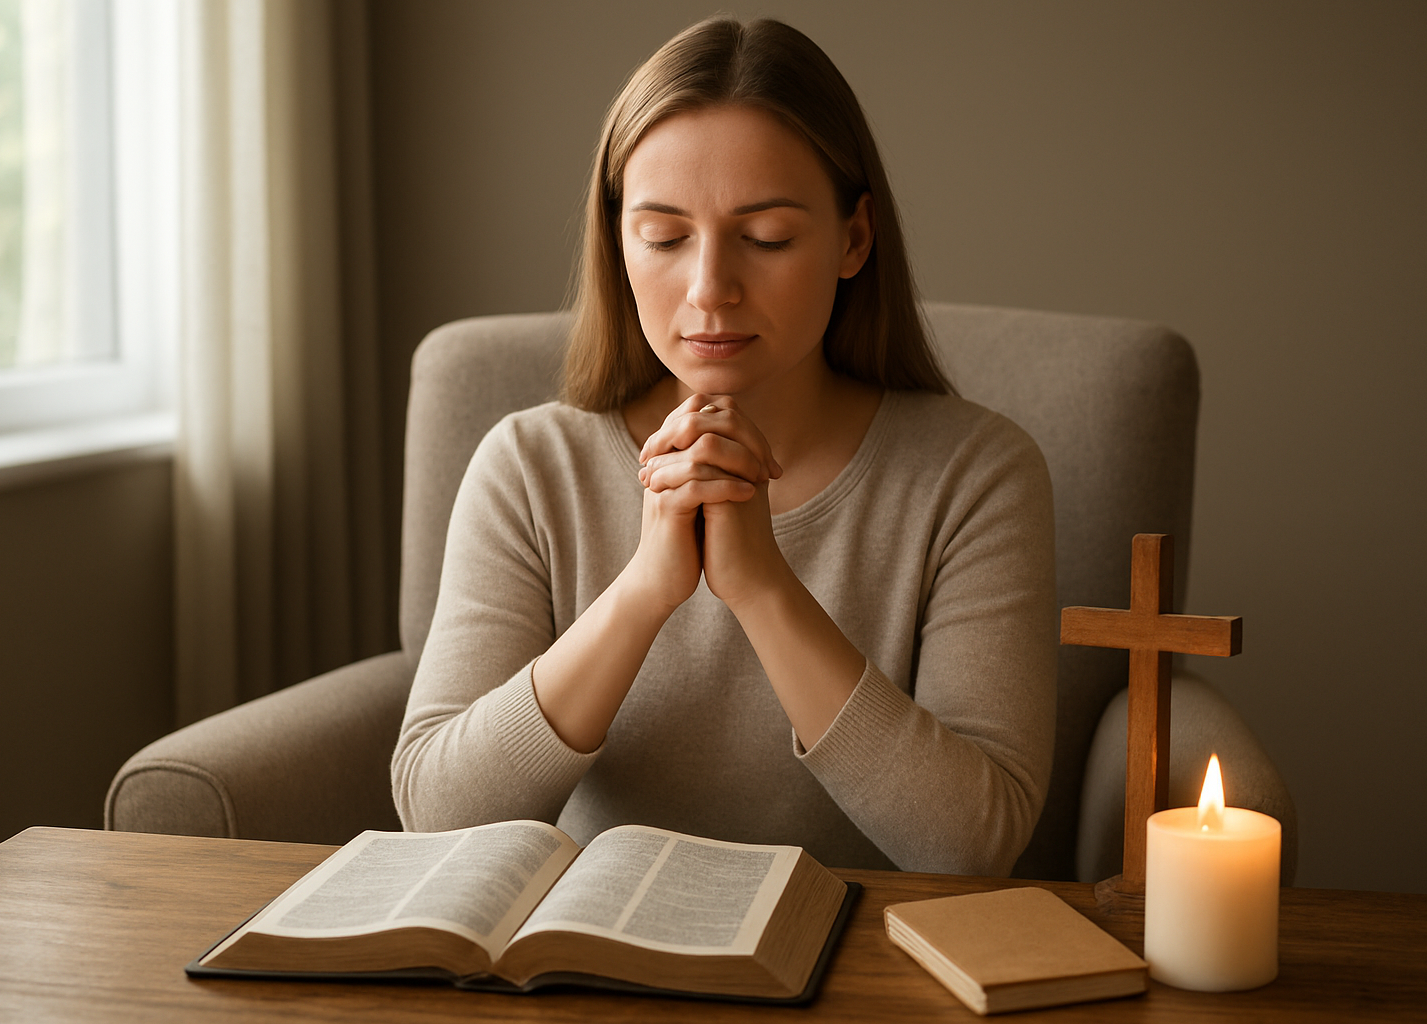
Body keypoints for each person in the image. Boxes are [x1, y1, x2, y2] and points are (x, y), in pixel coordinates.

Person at [391, 17, 1056, 876]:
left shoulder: (976, 475)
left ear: (855, 238)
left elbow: (975, 842)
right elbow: (435, 816)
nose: (710, 289)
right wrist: (644, 591)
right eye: (665, 237)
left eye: (768, 237)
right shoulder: (529, 467)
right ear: (617, 240)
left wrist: (763, 587)